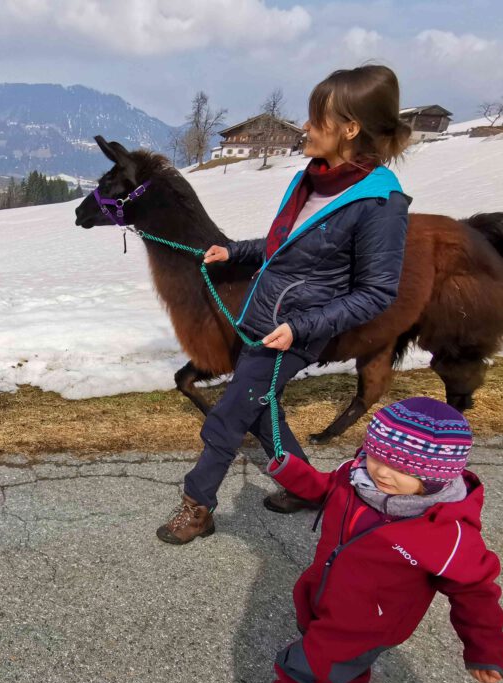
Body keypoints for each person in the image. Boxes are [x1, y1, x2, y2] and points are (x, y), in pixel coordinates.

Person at [157, 64, 412, 545]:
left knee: (229, 415)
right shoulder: (313, 179)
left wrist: (302, 328)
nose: (305, 127)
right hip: (261, 316)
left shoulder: (381, 204)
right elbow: (286, 244)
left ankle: (198, 506)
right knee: (258, 406)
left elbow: (378, 293)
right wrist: (236, 252)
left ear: (350, 129)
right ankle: (309, 489)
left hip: (293, 332)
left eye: (317, 119)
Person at [237, 397, 503, 683]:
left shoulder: (446, 533)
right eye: (376, 456)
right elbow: (325, 488)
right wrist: (292, 471)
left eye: (404, 470)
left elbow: (476, 592)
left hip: (371, 620)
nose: (382, 472)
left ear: (437, 478)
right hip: (325, 589)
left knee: (308, 663)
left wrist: (485, 649)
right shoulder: (356, 477)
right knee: (324, 641)